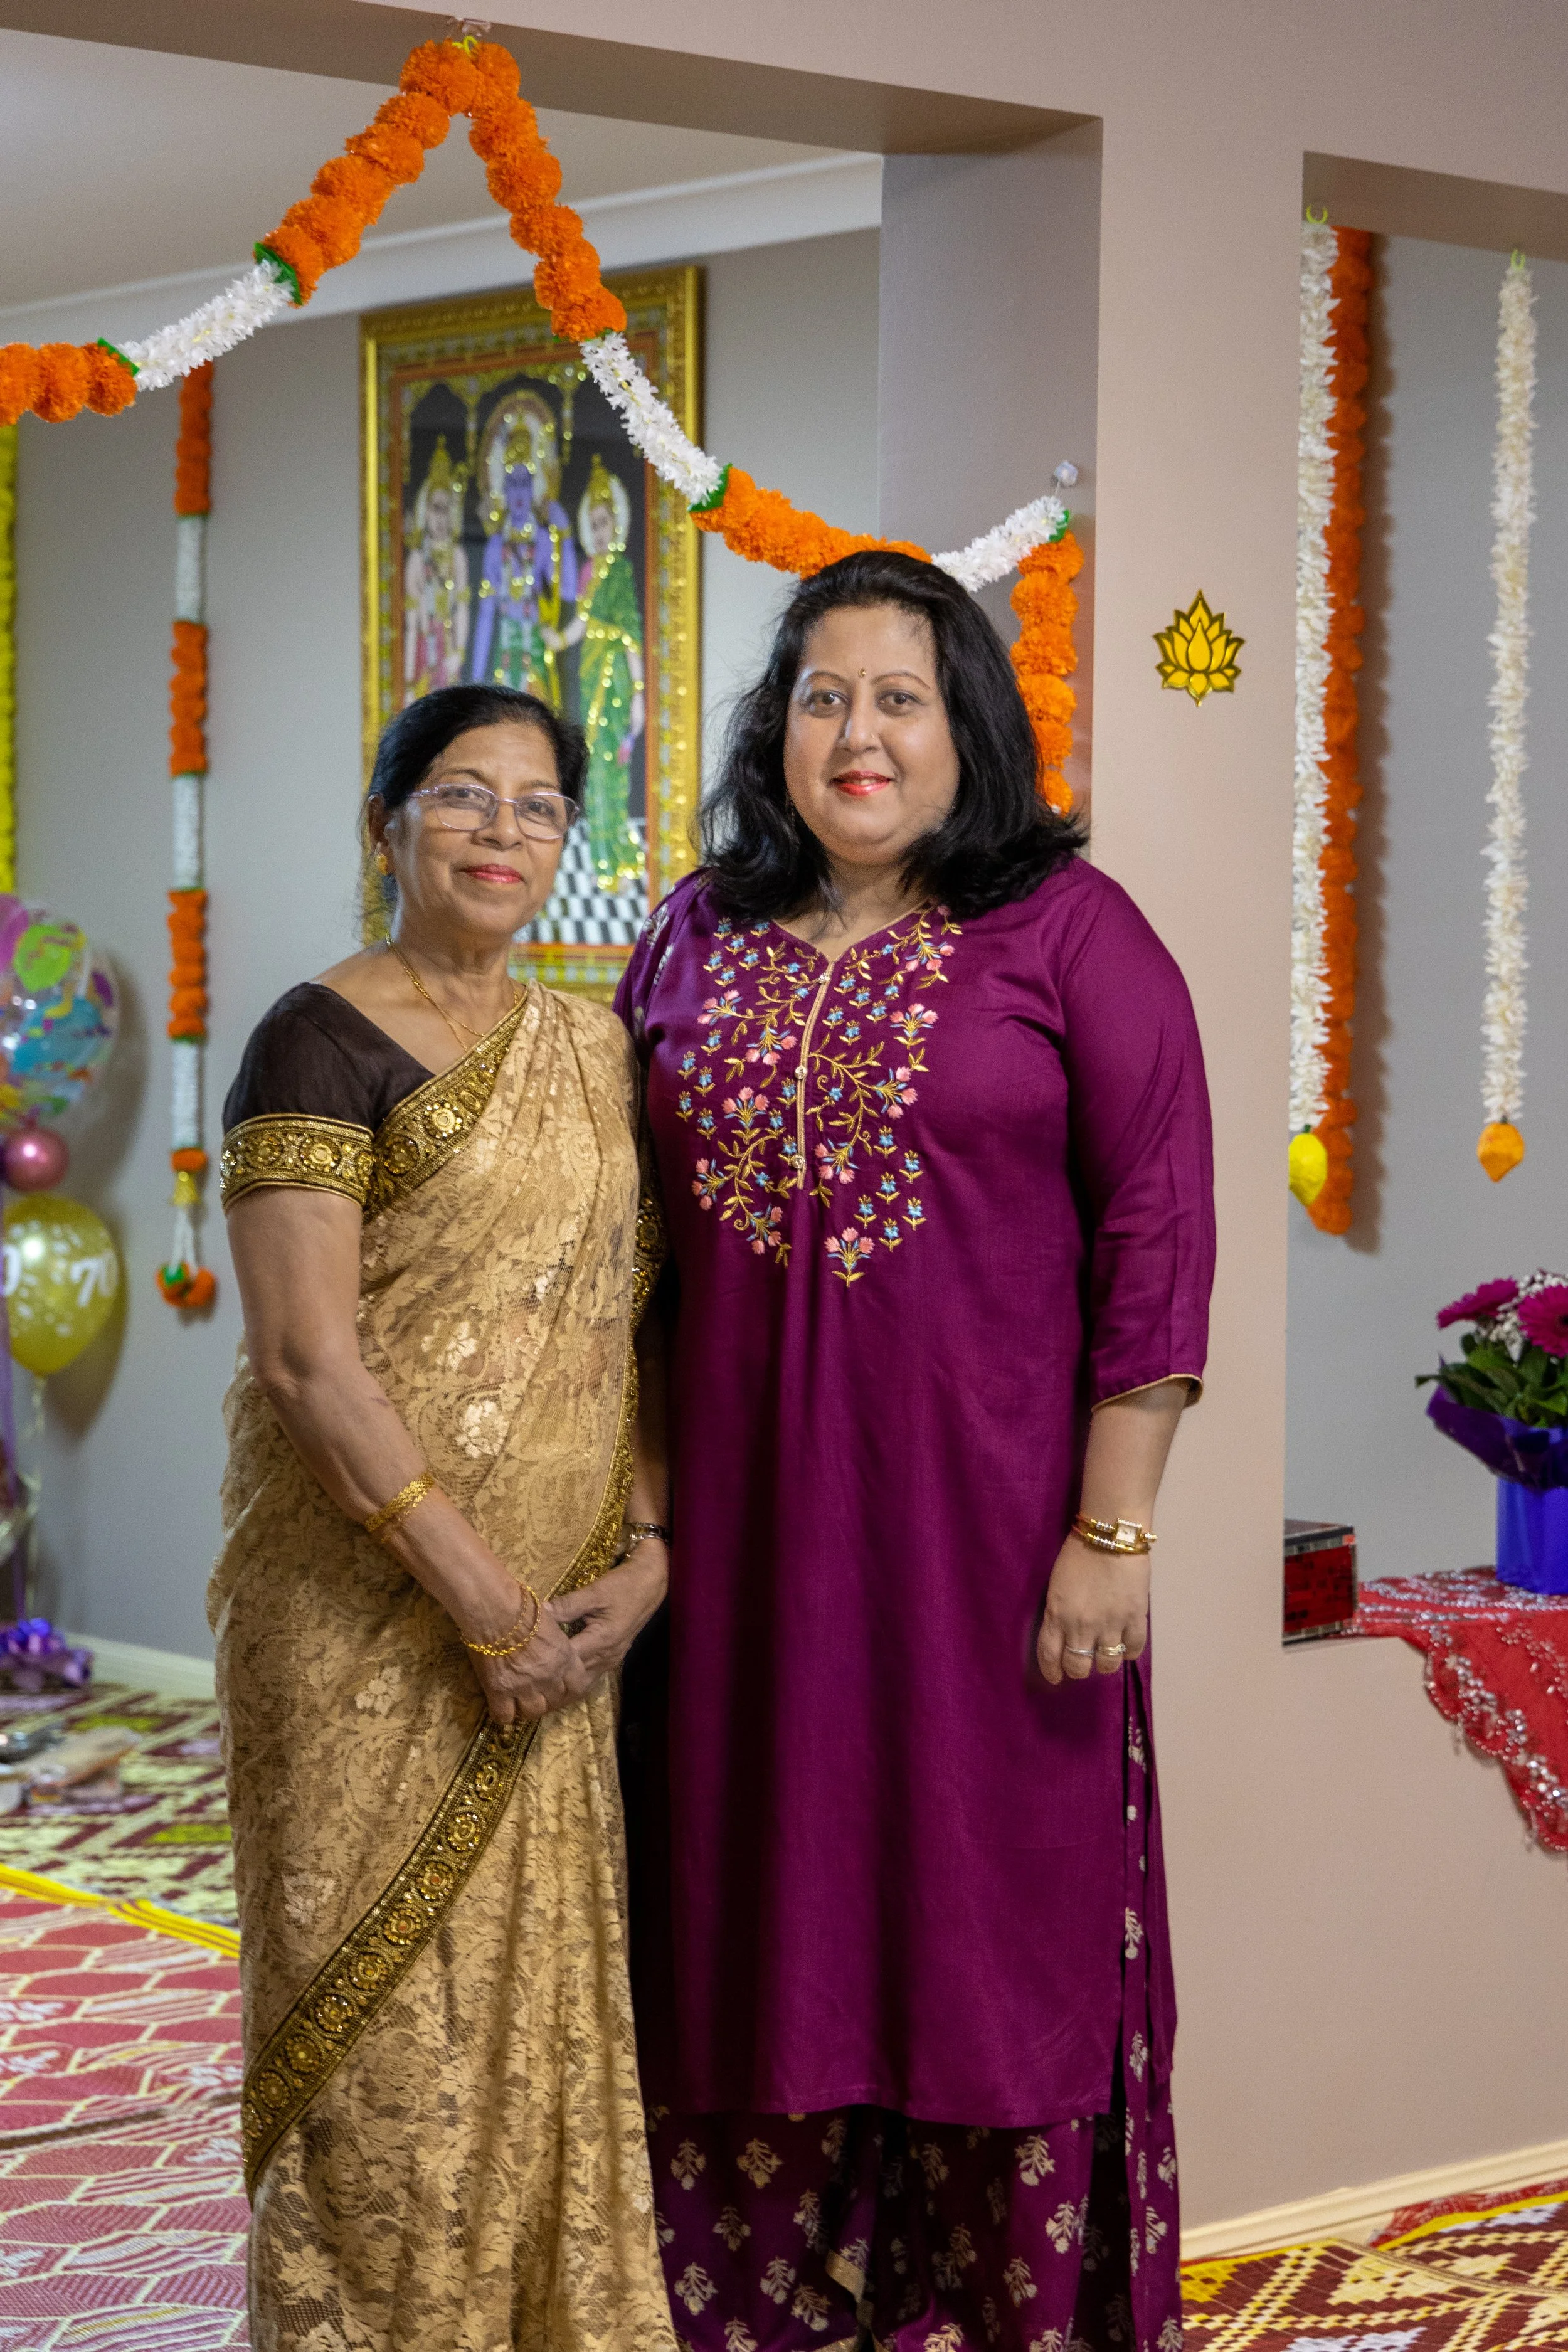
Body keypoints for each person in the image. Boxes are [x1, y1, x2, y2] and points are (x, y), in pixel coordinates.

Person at [615, 551, 1214, 2352]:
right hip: (732, 1564)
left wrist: (1110, 1535)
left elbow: (1159, 1233)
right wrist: (639, 1510)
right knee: (739, 1916)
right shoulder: (691, 932)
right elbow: (624, 1248)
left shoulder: (1069, 931)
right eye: (821, 696)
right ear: (771, 730)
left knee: (985, 1929)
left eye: (898, 697)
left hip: (988, 1557)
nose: (856, 734)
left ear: (969, 728)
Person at [212, 682, 676, 2352]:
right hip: (366, 1623)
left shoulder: (599, 1047)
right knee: (385, 2039)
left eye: (538, 804)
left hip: (558, 1631)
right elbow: (305, 1356)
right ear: (386, 823)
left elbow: (632, 1324)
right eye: (463, 796)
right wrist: (481, 1599)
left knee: (537, 2022)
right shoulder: (314, 1037)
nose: (501, 831)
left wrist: (645, 1557)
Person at [546, 454, 647, 896]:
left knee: (611, 768)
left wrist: (640, 693)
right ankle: (606, 856)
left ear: (616, 526)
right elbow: (581, 623)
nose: (601, 532)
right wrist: (556, 640)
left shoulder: (621, 572)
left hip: (617, 677)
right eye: (595, 524)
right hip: (589, 674)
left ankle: (613, 859)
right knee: (594, 767)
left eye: (606, 523)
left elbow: (630, 634)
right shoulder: (589, 570)